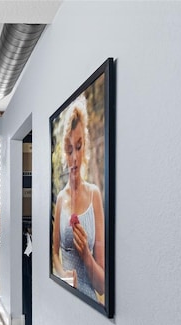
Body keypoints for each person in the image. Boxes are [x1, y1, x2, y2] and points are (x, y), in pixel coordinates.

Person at [51, 94, 106, 303]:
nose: (74, 158)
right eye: (69, 149)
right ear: (64, 153)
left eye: (79, 146)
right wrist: (63, 274)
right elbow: (54, 253)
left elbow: (101, 286)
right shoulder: (61, 200)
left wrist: (86, 256)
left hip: (89, 300)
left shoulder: (95, 196)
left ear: (86, 147)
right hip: (65, 296)